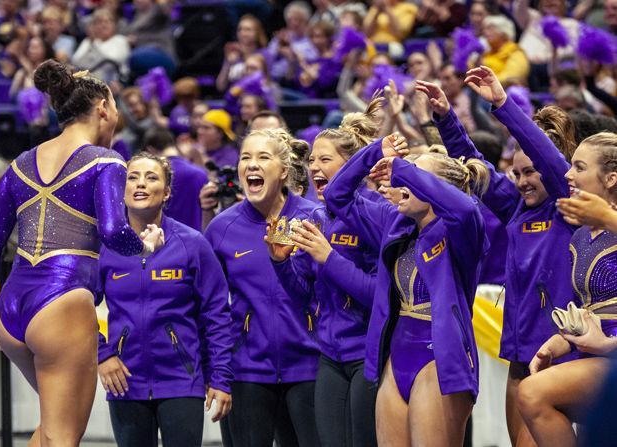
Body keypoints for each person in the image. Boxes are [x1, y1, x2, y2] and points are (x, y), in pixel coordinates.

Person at [0, 60, 164, 446]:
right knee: (64, 436)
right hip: (61, 302)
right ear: (103, 106)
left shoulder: (19, 165)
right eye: (116, 109)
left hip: (11, 307)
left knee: (50, 428)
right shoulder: (105, 160)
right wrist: (145, 246)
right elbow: (113, 229)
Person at [417, 66, 578, 446]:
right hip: (518, 354)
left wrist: (503, 105)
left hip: (559, 352)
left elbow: (549, 159)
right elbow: (476, 168)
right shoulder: (515, 208)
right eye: (516, 173)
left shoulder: (568, 208)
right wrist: (446, 119)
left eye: (531, 173)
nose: (522, 181)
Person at [323, 130, 489, 446]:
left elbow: (464, 209)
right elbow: (337, 196)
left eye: (416, 175)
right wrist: (375, 153)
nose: (402, 184)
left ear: (439, 190)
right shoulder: (395, 224)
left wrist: (403, 169)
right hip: (396, 356)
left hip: (439, 357)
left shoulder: (462, 231)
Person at [266, 99, 387, 447]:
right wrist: (280, 262)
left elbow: (380, 293)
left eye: (325, 160)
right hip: (330, 356)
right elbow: (304, 295)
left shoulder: (378, 212)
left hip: (369, 353)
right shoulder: (315, 219)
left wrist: (329, 256)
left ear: (350, 168)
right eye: (311, 160)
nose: (314, 167)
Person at [96, 152, 232, 447]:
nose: (140, 184)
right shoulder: (104, 247)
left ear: (167, 192)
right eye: (133, 177)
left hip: (182, 381)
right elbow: (76, 306)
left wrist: (220, 378)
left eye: (151, 177)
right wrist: (102, 354)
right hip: (125, 382)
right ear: (122, 189)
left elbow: (217, 315)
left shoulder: (192, 244)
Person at [204, 128, 321, 447]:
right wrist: (218, 373)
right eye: (245, 157)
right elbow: (210, 309)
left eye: (263, 157)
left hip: (311, 368)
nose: (252, 164)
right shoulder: (221, 228)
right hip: (248, 370)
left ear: (284, 171)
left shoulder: (315, 218)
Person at [517, 132, 617, 447]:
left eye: (578, 167)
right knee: (525, 438)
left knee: (533, 393)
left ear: (611, 178)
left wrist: (609, 345)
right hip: (592, 356)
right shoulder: (580, 236)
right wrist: (555, 344)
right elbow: (585, 311)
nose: (567, 174)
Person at [142, 126, 208, 232]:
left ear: (150, 150)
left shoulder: (152, 177)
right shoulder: (201, 173)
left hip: (164, 243)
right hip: (196, 241)